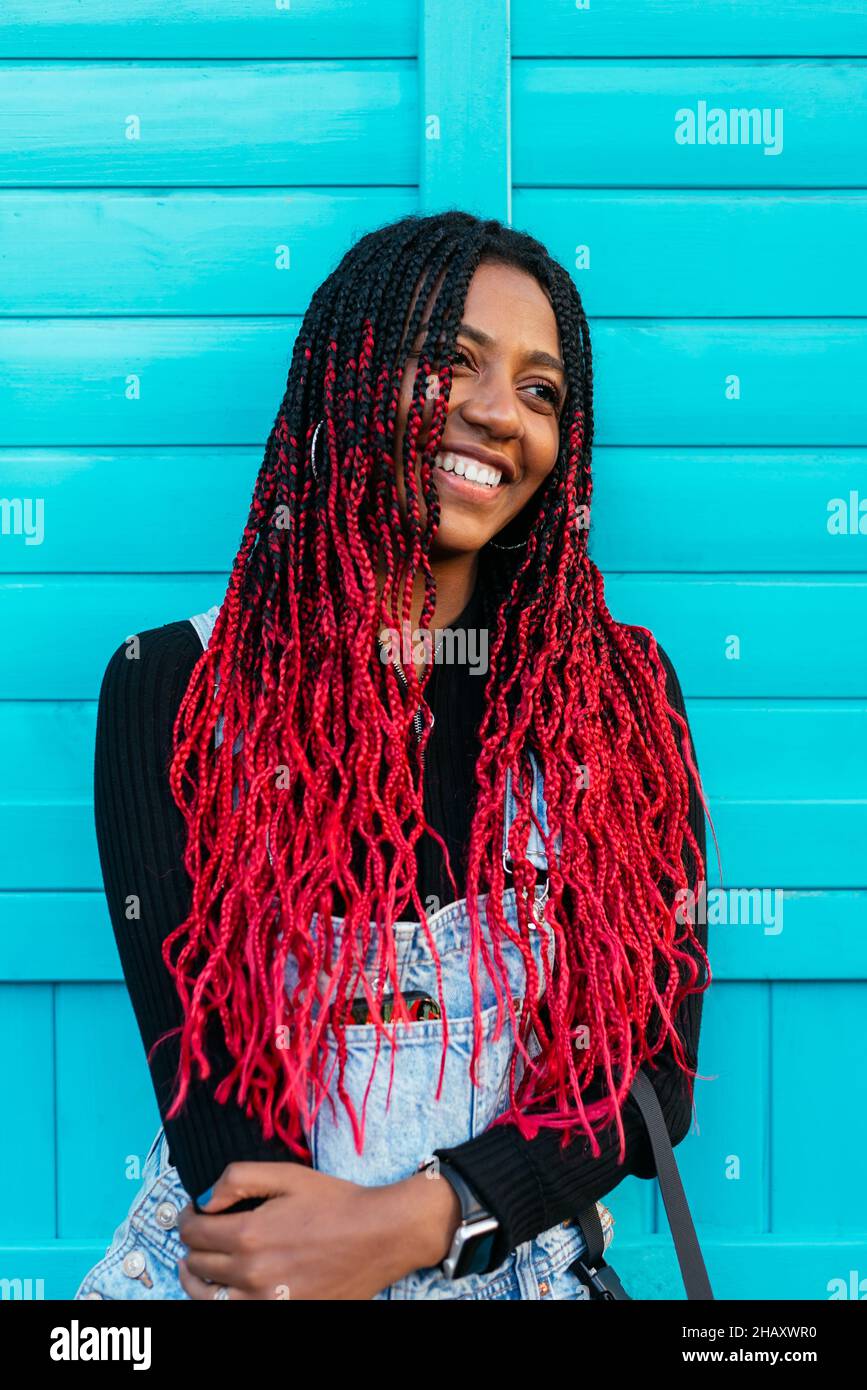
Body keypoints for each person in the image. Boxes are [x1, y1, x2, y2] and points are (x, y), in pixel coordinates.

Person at [75, 210, 713, 1302]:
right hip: (249, 1272)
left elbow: (649, 1074)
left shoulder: (619, 699)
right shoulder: (175, 689)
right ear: (349, 374)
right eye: (448, 362)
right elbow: (214, 1103)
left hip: (517, 1262)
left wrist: (432, 1219)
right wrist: (329, 1255)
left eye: (541, 389)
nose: (495, 413)